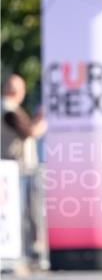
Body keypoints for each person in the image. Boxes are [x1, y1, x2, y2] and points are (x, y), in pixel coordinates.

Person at [1, 73, 48, 264]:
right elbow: (28, 133)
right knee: (24, 212)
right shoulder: (8, 109)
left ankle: (26, 250)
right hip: (16, 171)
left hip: (13, 170)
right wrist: (41, 124)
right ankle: (27, 251)